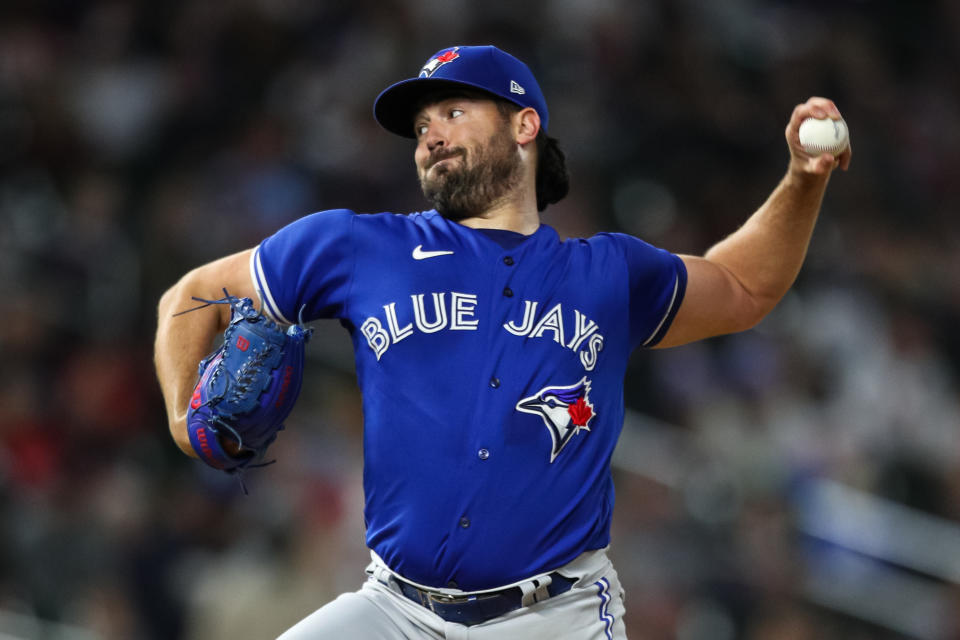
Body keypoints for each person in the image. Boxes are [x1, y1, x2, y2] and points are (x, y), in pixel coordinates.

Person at [154, 45, 850, 639]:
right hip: (395, 610)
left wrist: (802, 180)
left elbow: (742, 287)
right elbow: (188, 297)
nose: (429, 134)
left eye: (454, 112)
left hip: (555, 616)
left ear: (525, 125)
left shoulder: (607, 274)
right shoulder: (357, 246)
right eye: (422, 124)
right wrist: (187, 420)